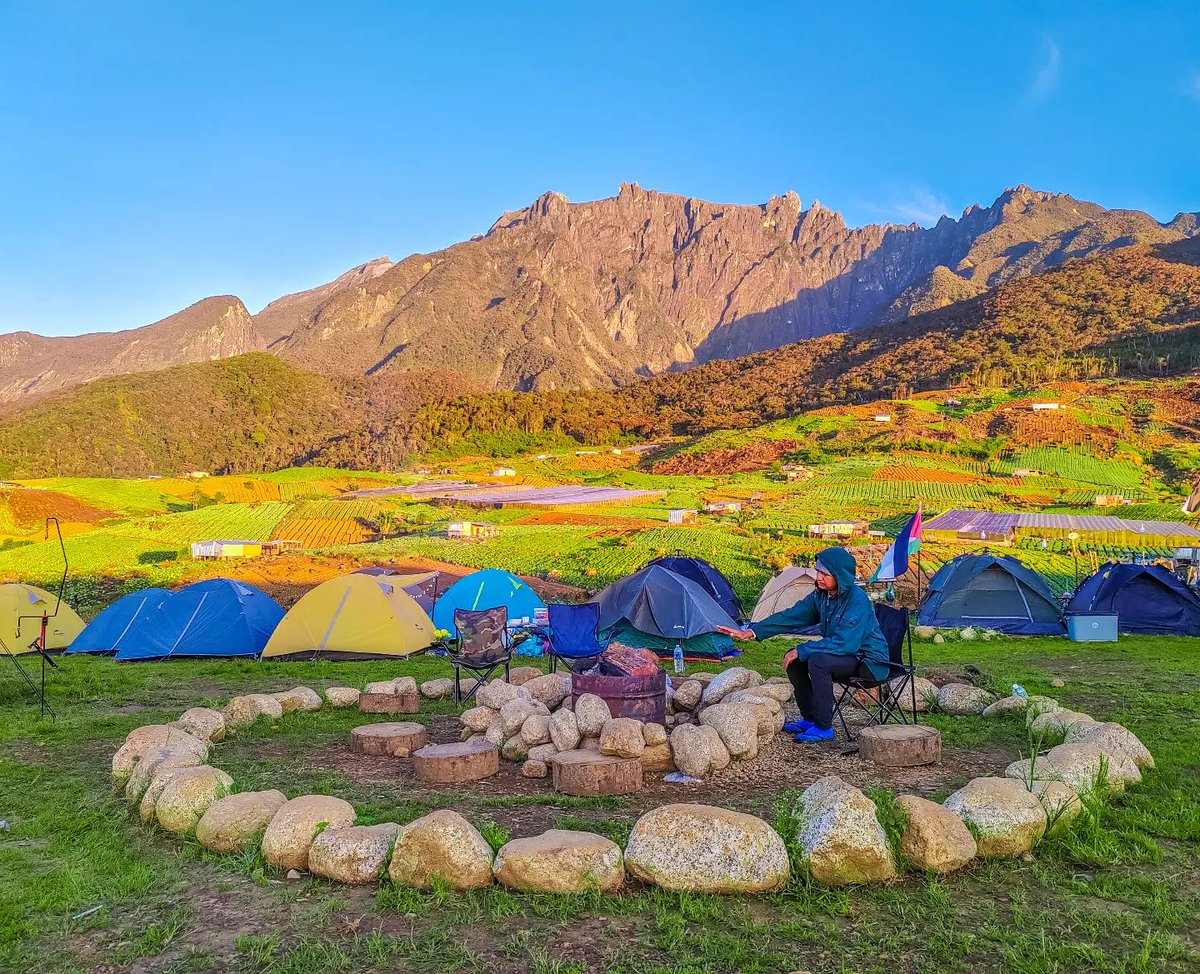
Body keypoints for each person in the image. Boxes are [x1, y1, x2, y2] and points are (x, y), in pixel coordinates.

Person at [718, 546, 889, 742]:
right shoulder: (822, 596)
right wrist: (752, 630)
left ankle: (824, 727)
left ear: (840, 576)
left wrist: (803, 649)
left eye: (825, 573)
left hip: (871, 663)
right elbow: (792, 616)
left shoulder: (856, 601)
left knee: (817, 660)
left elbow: (845, 643)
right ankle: (810, 718)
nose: (819, 577)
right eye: (818, 571)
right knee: (795, 660)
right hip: (848, 657)